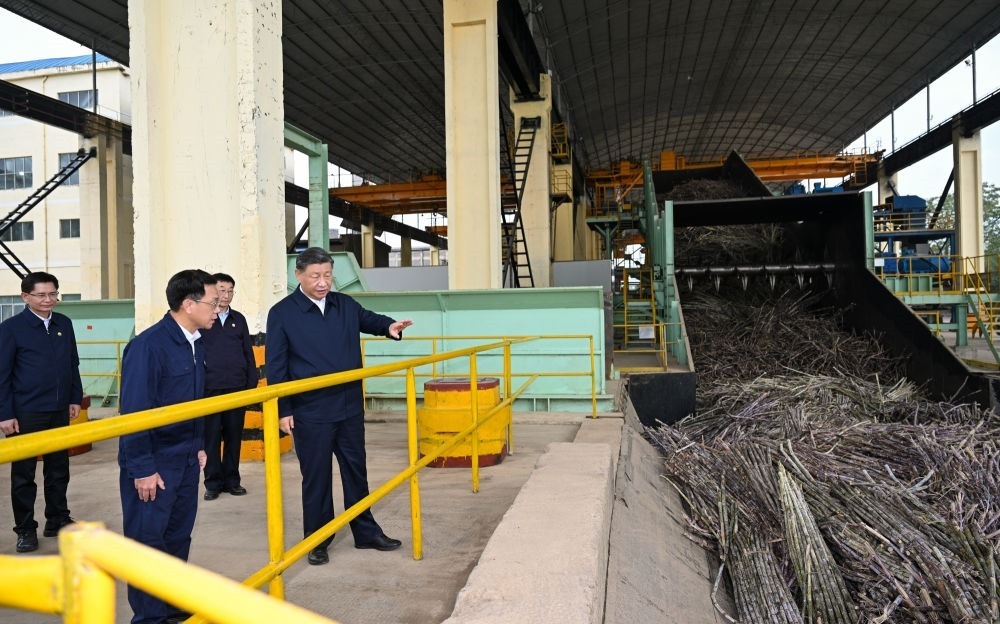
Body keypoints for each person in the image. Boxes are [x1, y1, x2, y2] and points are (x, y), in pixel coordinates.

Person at [266, 247, 413, 566]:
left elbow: (368, 319)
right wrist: (283, 409)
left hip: (348, 407)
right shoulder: (282, 313)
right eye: (315, 276)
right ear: (298, 275)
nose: (323, 282)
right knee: (316, 478)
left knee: (356, 472)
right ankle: (318, 540)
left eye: (328, 275)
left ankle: (366, 532)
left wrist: (389, 327)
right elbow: (276, 366)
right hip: (310, 411)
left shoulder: (343, 304)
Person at [118, 269, 218, 624]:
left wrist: (199, 444)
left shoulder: (196, 342)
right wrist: (142, 468)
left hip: (186, 456)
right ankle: (149, 618)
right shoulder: (149, 347)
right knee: (147, 542)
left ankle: (172, 605)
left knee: (177, 537)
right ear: (189, 304)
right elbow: (133, 413)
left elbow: (193, 401)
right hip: (155, 462)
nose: (218, 308)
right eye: (213, 302)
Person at [0, 272, 83, 553]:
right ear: (25, 297)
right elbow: (2, 375)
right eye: (41, 295)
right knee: (24, 474)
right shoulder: (11, 329)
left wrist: (74, 398)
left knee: (58, 469)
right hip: (26, 412)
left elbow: (72, 364)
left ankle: (57, 519)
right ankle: (25, 529)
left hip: (58, 410)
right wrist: (5, 413)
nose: (49, 300)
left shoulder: (64, 324)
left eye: (53, 294)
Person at [201, 273, 258, 501]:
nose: (226, 295)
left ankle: (232, 481)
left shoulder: (239, 319)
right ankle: (213, 483)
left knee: (234, 437)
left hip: (236, 388)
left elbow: (248, 353)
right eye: (221, 290)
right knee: (211, 439)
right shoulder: (205, 318)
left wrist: (250, 383)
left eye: (230, 290)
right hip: (210, 390)